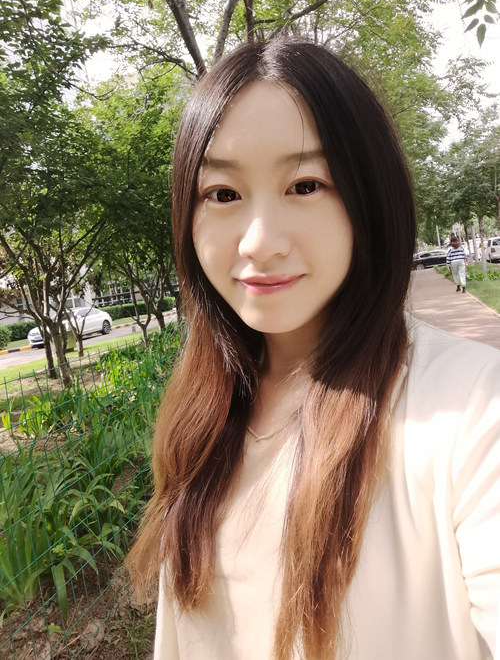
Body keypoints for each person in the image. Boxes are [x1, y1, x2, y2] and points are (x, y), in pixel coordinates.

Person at [126, 39, 500, 660]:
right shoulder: (204, 408)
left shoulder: (469, 407)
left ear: (367, 196)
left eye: (305, 185)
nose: (259, 241)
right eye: (223, 193)